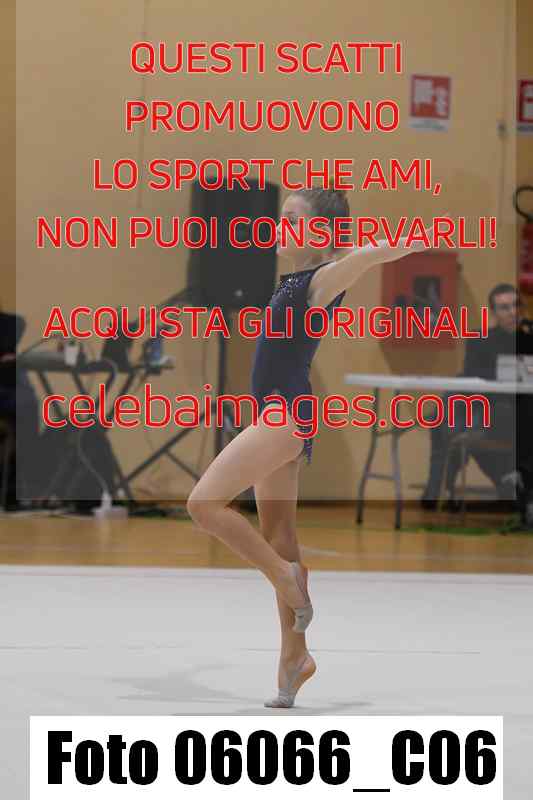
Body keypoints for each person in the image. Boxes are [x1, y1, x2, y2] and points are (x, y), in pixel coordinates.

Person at [186, 185, 431, 708]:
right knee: (279, 534)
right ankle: (295, 658)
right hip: (279, 414)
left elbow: (361, 259)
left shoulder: (320, 280)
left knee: (203, 504)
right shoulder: (293, 282)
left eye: (293, 218)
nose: (282, 225)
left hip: (284, 415)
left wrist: (399, 244)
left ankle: (285, 577)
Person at [421, 284, 533, 522]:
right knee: (448, 417)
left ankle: (438, 488)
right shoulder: (481, 340)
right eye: (504, 308)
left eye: (516, 305)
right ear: (494, 312)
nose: (512, 312)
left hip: (515, 414)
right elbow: (472, 376)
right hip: (486, 409)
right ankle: (442, 487)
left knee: (450, 422)